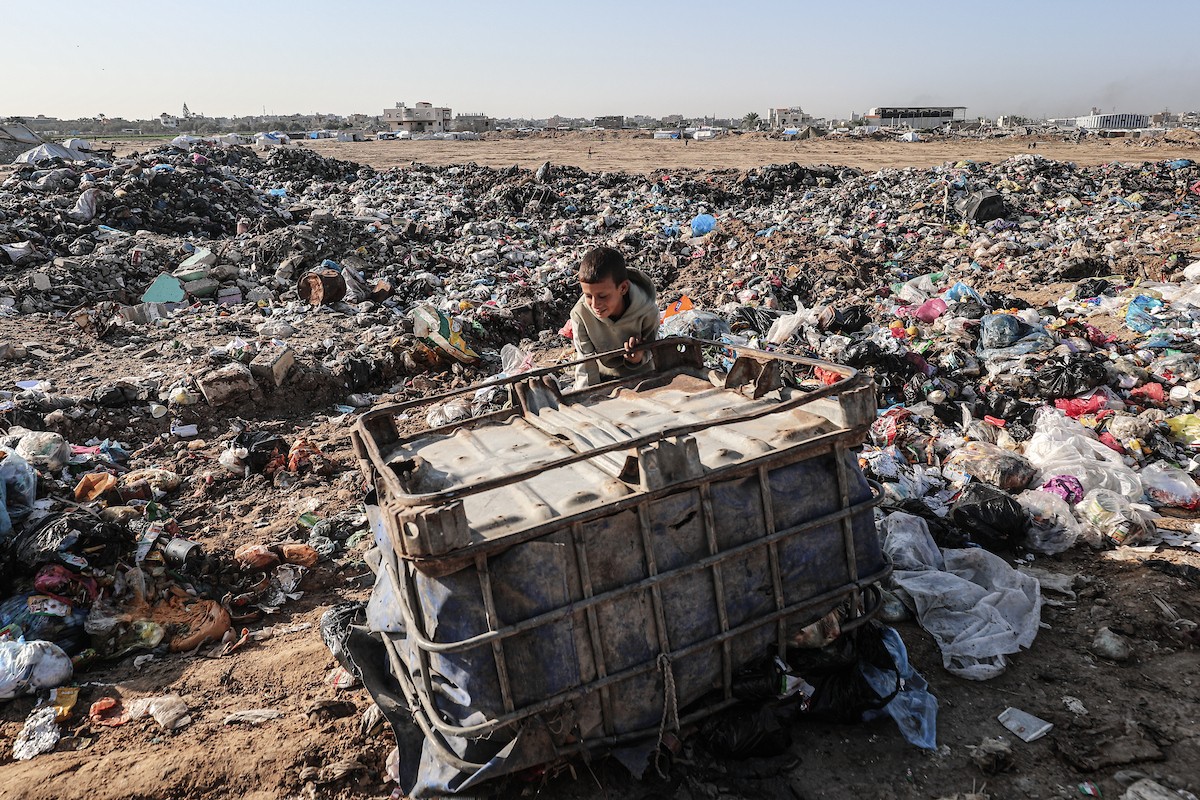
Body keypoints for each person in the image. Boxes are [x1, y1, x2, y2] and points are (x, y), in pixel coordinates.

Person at [570, 246, 659, 388]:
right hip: (605, 378)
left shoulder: (647, 310)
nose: (595, 304)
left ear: (623, 288)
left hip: (643, 376)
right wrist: (587, 398)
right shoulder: (580, 314)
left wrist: (638, 357)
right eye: (588, 296)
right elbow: (586, 363)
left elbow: (653, 348)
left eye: (602, 296)